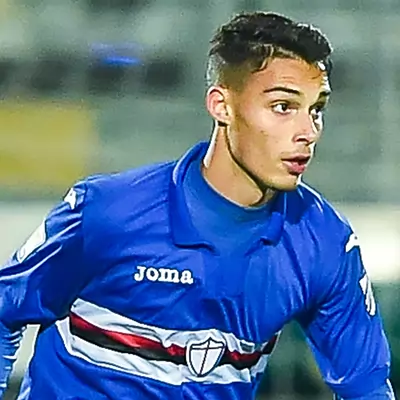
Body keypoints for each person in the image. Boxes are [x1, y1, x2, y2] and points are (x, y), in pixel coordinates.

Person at [0, 11, 395, 400]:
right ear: (221, 106)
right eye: (283, 107)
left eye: (316, 109)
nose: (308, 132)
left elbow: (367, 387)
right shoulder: (107, 212)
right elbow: (4, 310)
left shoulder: (324, 243)